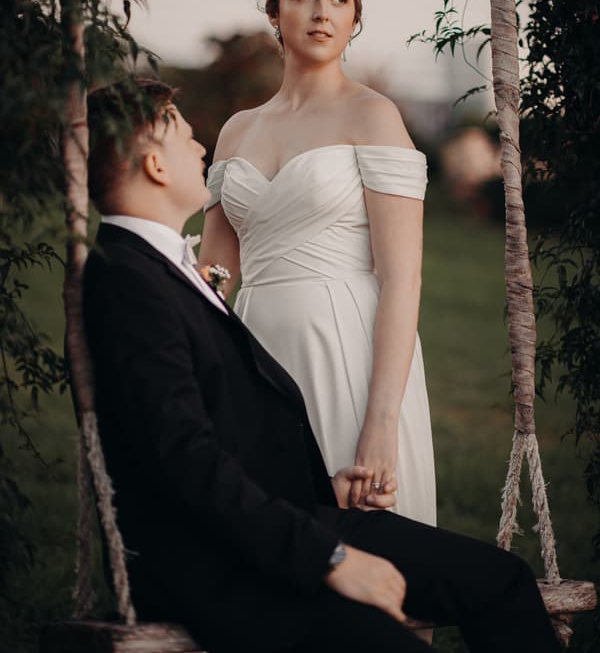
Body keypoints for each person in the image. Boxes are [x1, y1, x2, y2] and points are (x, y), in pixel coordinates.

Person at [83, 77, 560, 653]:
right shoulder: (128, 281)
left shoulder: (161, 269)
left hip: (289, 514)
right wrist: (330, 556)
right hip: (223, 566)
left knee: (501, 580)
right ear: (155, 164)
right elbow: (185, 459)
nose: (201, 147)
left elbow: (218, 427)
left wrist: (325, 494)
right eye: (185, 136)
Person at [200, 0, 435, 524]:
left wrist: (380, 420)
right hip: (255, 349)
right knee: (264, 531)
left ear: (355, 17)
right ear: (275, 11)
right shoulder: (237, 130)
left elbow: (402, 279)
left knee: (361, 536)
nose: (322, 12)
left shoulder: (373, 115)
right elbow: (213, 280)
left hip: (347, 350)